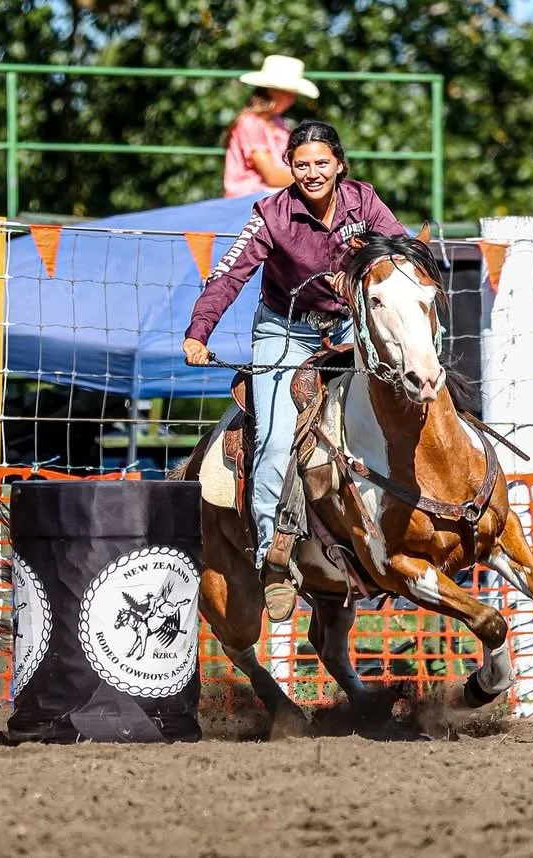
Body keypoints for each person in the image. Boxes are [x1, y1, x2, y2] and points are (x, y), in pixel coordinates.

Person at [184, 120, 408, 622]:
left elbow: (400, 253)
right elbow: (229, 274)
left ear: (339, 164)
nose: (312, 172)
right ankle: (275, 558)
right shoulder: (270, 214)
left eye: (322, 163)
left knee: (401, 404)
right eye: (302, 164)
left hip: (351, 328)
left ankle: (400, 528)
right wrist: (199, 331)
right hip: (284, 331)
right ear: (289, 166)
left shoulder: (365, 202)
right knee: (275, 435)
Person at [222, 55, 319, 198]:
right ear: (271, 91)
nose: (291, 99)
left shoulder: (278, 123)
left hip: (271, 196)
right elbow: (271, 176)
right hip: (248, 199)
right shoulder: (250, 123)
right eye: (287, 92)